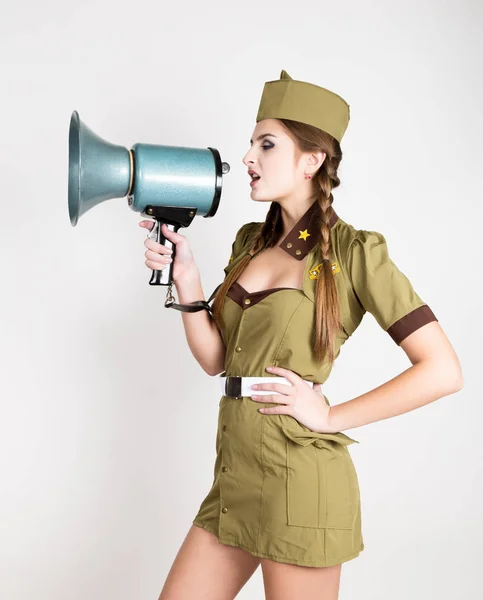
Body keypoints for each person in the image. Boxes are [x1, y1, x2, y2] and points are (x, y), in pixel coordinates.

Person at [139, 70, 464, 600]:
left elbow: (443, 370)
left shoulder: (355, 253)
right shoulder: (249, 242)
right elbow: (217, 360)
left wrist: (331, 415)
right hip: (235, 479)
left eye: (266, 144)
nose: (247, 157)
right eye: (250, 143)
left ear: (312, 161)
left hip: (301, 482)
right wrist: (188, 281)